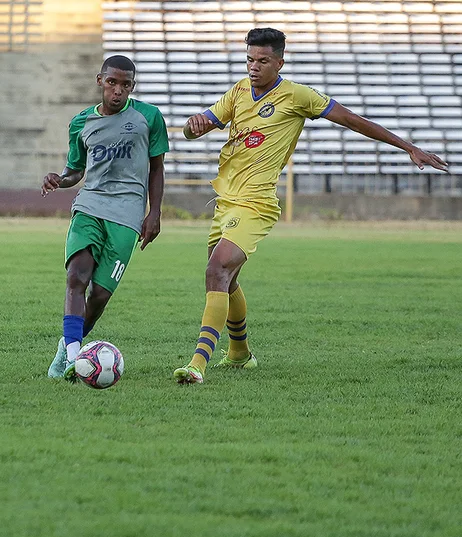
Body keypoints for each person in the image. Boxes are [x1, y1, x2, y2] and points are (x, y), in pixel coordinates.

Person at [173, 28, 449, 385]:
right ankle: (240, 354)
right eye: (249, 59)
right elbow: (201, 125)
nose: (254, 67)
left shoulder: (297, 96)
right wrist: (193, 128)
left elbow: (352, 120)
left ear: (280, 62)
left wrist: (407, 147)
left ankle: (197, 363)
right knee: (225, 279)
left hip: (256, 203)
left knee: (216, 270)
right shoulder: (238, 91)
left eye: (263, 61)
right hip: (225, 202)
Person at [41, 55, 168, 380]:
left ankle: (66, 347)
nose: (118, 91)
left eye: (125, 85)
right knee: (76, 277)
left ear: (132, 86)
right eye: (112, 82)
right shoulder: (81, 122)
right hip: (90, 206)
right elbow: (75, 171)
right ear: (100, 81)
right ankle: (73, 358)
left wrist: (154, 212)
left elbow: (157, 168)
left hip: (127, 214)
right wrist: (60, 179)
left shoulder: (148, 117)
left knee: (99, 295)